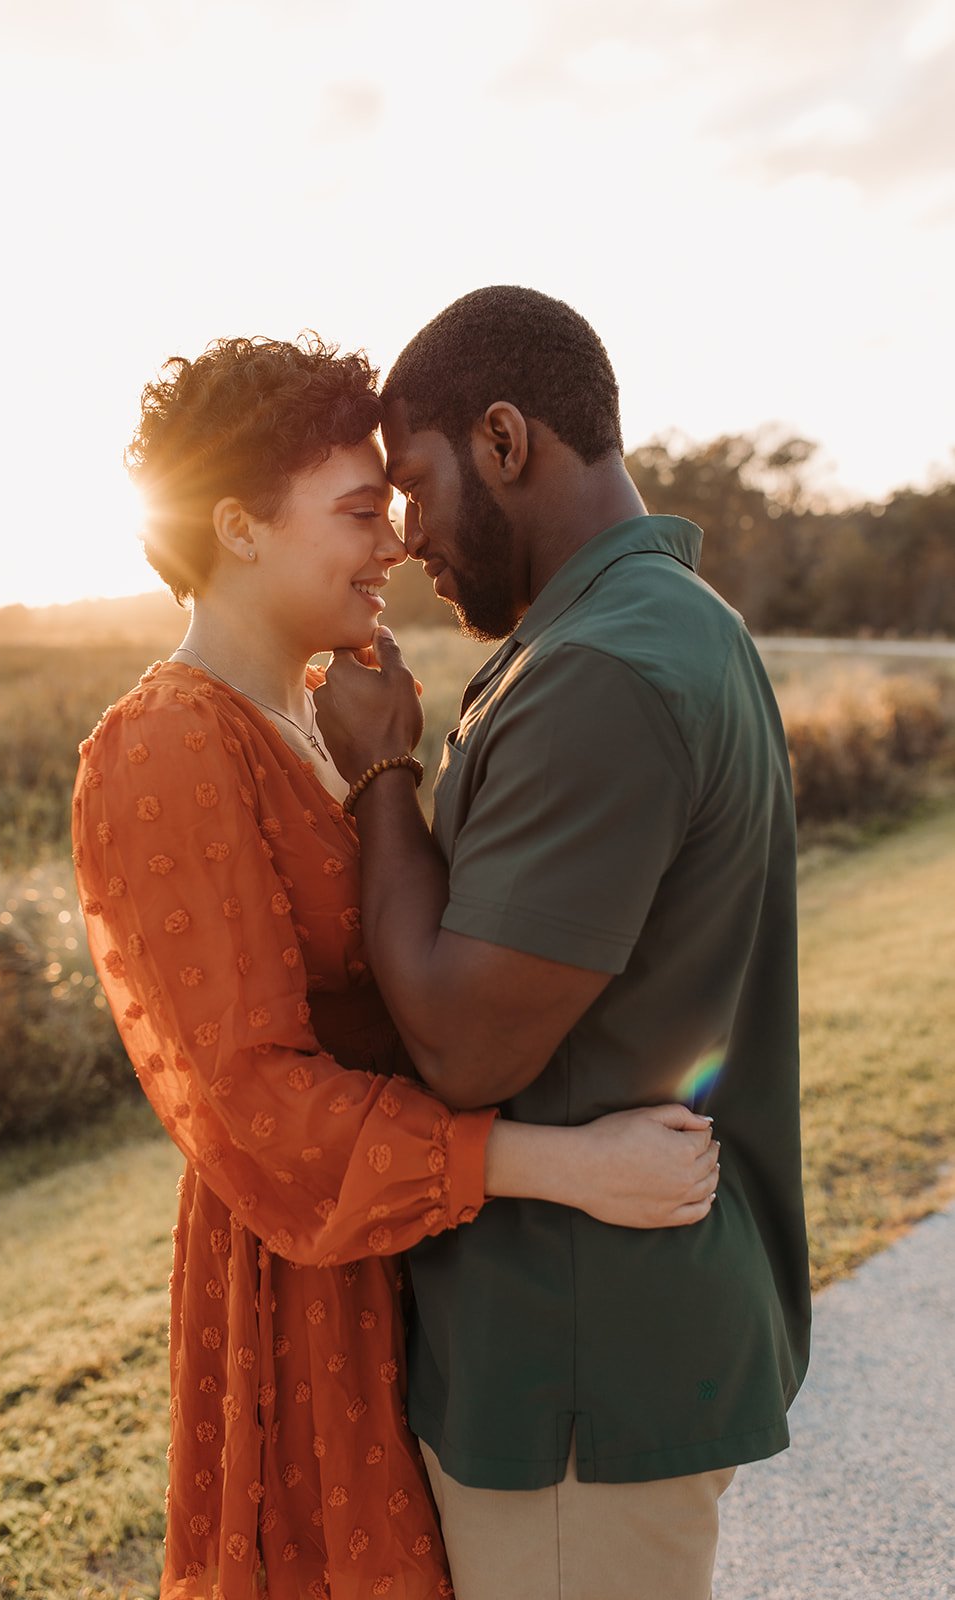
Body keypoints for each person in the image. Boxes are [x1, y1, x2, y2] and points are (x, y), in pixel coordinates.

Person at [71, 334, 720, 1600]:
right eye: (362, 510)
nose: (397, 543)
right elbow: (248, 1101)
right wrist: (563, 1166)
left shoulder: (331, 716)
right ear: (238, 529)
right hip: (305, 1281)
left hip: (421, 1260)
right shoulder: (164, 747)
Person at [313, 287, 812, 1600]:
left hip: (573, 1371)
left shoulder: (600, 670)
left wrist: (379, 776)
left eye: (410, 487)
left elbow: (463, 1041)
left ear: (501, 439)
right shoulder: (652, 631)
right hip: (600, 1341)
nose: (407, 538)